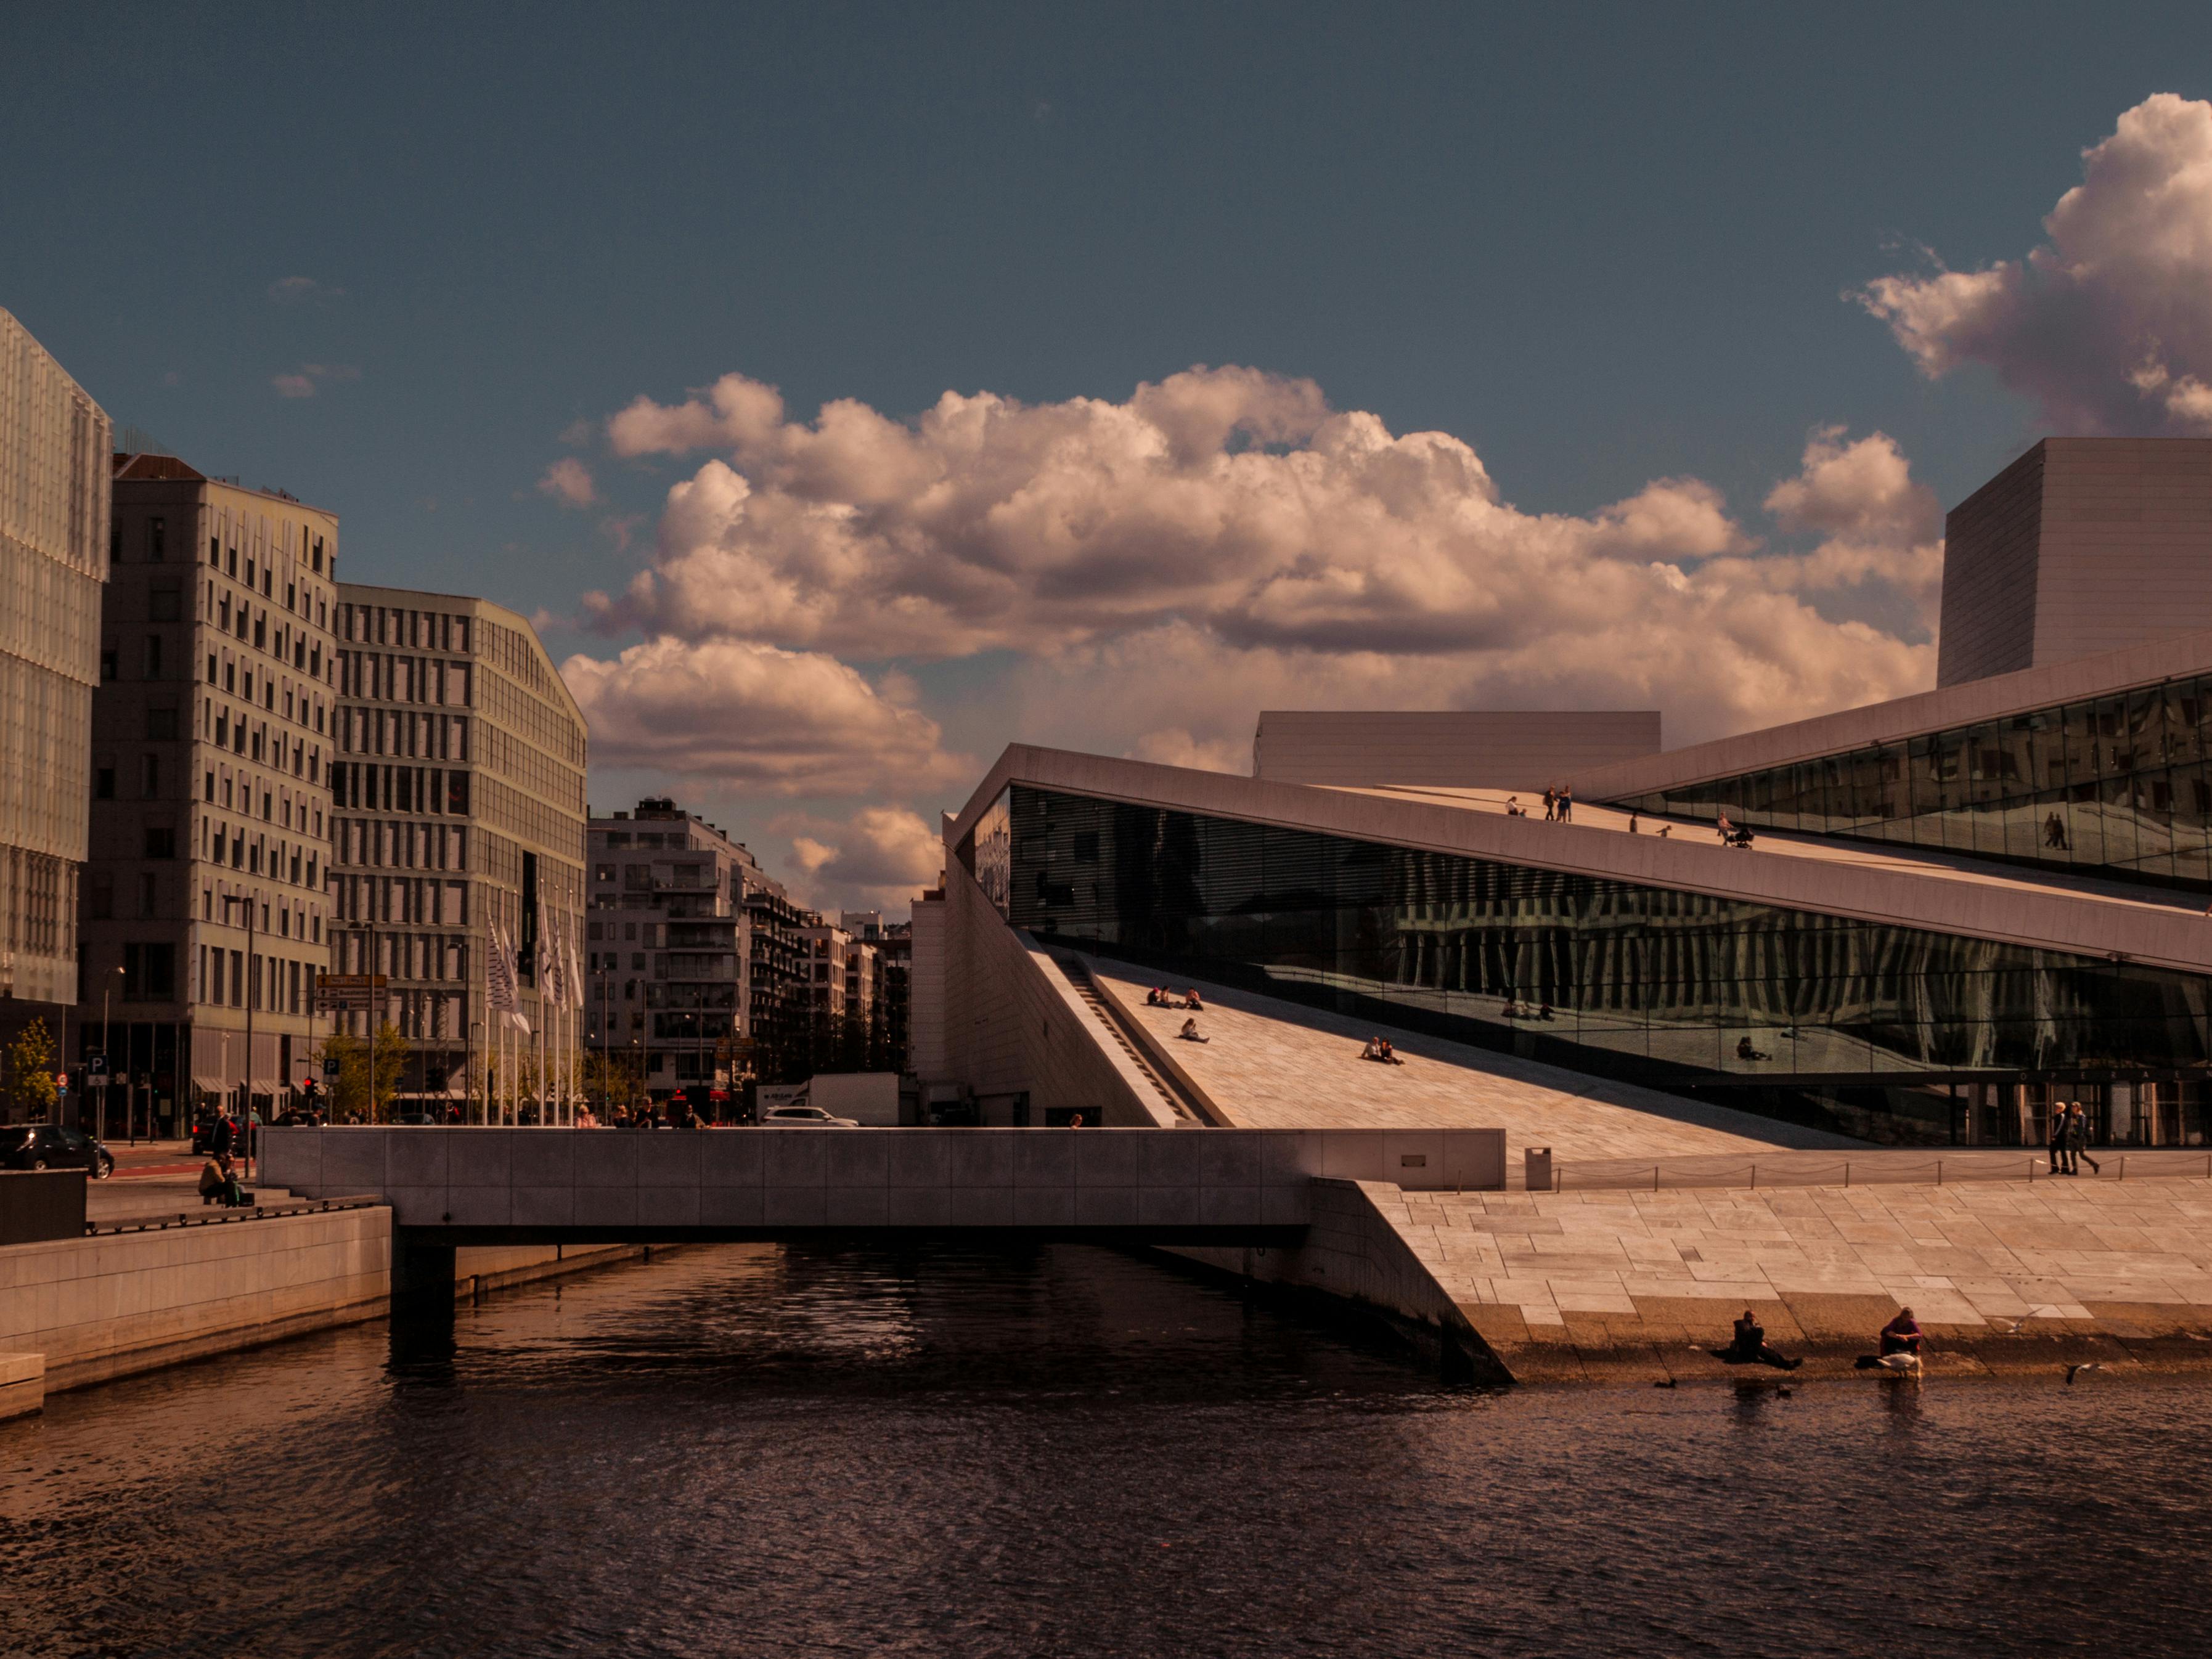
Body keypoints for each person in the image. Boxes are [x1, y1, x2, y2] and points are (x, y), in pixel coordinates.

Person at [1724, 1308, 1800, 1370]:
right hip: (1747, 1349)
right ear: (1745, 1316)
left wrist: (1761, 1341)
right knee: (1766, 1351)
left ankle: (1786, 1363)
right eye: (1750, 1316)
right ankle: (1786, 1364)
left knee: (1771, 1353)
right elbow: (1744, 1337)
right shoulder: (1742, 1325)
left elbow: (1753, 1337)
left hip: (1755, 1348)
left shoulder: (1752, 1327)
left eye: (1753, 1316)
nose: (1752, 1318)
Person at [2067, 1101, 2101, 1175]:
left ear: (2078, 1107)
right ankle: (2075, 1170)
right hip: (2074, 1137)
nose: (2073, 1108)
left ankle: (2095, 1165)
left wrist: (2079, 1137)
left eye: (2074, 1107)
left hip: (2080, 1138)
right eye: (2072, 1107)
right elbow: (2073, 1126)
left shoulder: (2081, 1116)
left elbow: (2081, 1128)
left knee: (2082, 1155)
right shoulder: (2074, 1116)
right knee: (2072, 1154)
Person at [2048, 1102, 2073, 1175]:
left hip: (2061, 1137)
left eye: (2057, 1107)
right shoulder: (2058, 1116)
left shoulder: (2062, 1116)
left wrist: (2054, 1136)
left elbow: (2060, 1127)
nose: (2055, 1109)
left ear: (2061, 1109)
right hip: (2058, 1137)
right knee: (2053, 1151)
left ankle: (2065, 1168)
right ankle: (2055, 1168)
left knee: (2063, 1152)